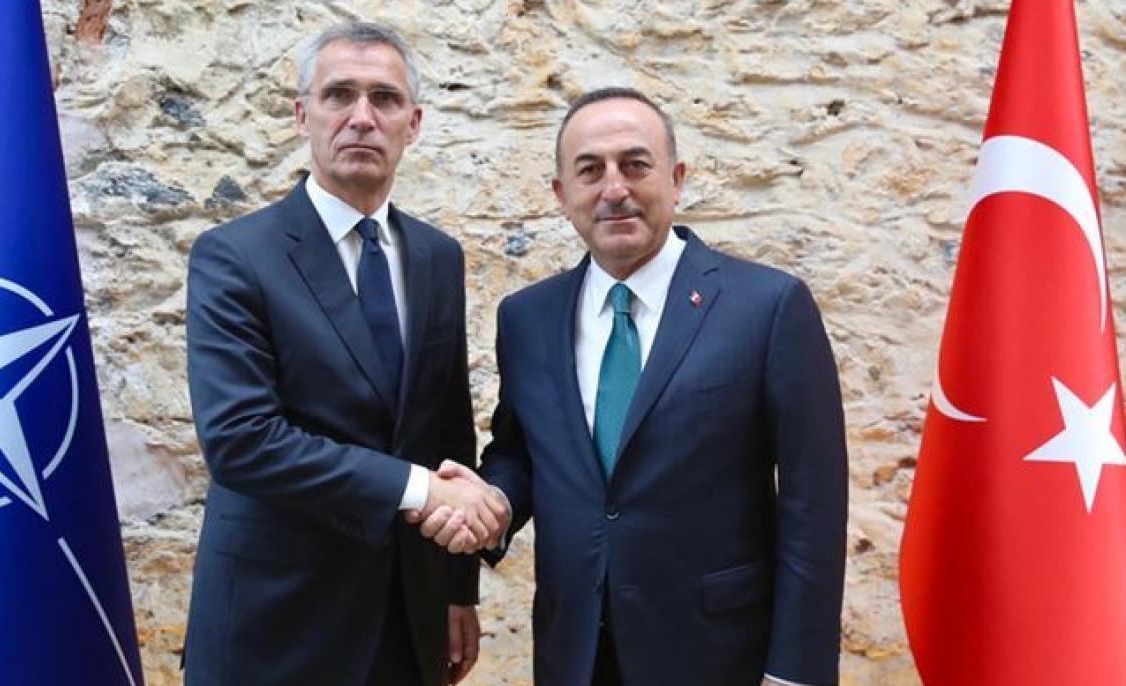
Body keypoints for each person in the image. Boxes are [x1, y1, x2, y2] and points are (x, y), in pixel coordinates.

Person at [417, 87, 848, 685]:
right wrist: (495, 502)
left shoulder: (768, 306)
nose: (614, 188)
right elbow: (522, 453)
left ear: (676, 179)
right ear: (562, 195)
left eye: (635, 164)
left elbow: (814, 506)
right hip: (575, 653)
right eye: (590, 170)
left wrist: (796, 674)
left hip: (717, 656)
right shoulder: (527, 317)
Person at [183, 21, 508, 686]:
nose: (362, 116)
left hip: (406, 619)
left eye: (384, 99)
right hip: (276, 624)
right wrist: (418, 488)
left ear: (413, 124)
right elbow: (242, 440)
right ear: (303, 115)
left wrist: (456, 589)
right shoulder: (235, 256)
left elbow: (446, 428)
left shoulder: (438, 257)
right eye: (339, 95)